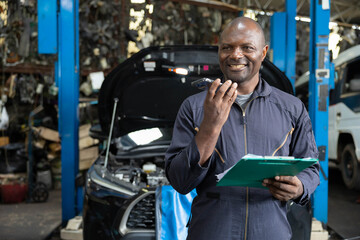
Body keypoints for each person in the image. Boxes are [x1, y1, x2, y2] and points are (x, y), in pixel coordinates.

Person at [165, 16, 320, 240]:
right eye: (227, 47)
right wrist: (210, 125)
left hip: (270, 232)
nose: (236, 55)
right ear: (219, 51)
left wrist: (300, 187)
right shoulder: (194, 107)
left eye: (247, 47)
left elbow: (311, 167)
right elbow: (180, 181)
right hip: (211, 232)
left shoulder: (292, 108)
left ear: (264, 52)